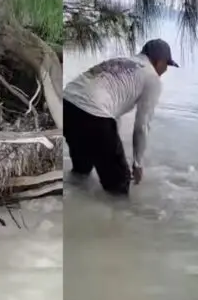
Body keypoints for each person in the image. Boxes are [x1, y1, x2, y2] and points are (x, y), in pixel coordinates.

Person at [63, 39, 178, 195]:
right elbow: (142, 125)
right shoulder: (152, 78)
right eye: (167, 65)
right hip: (94, 112)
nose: (165, 70)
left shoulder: (122, 61)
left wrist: (111, 139)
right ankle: (118, 215)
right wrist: (137, 163)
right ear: (159, 61)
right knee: (119, 184)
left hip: (67, 104)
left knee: (81, 172)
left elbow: (112, 104)